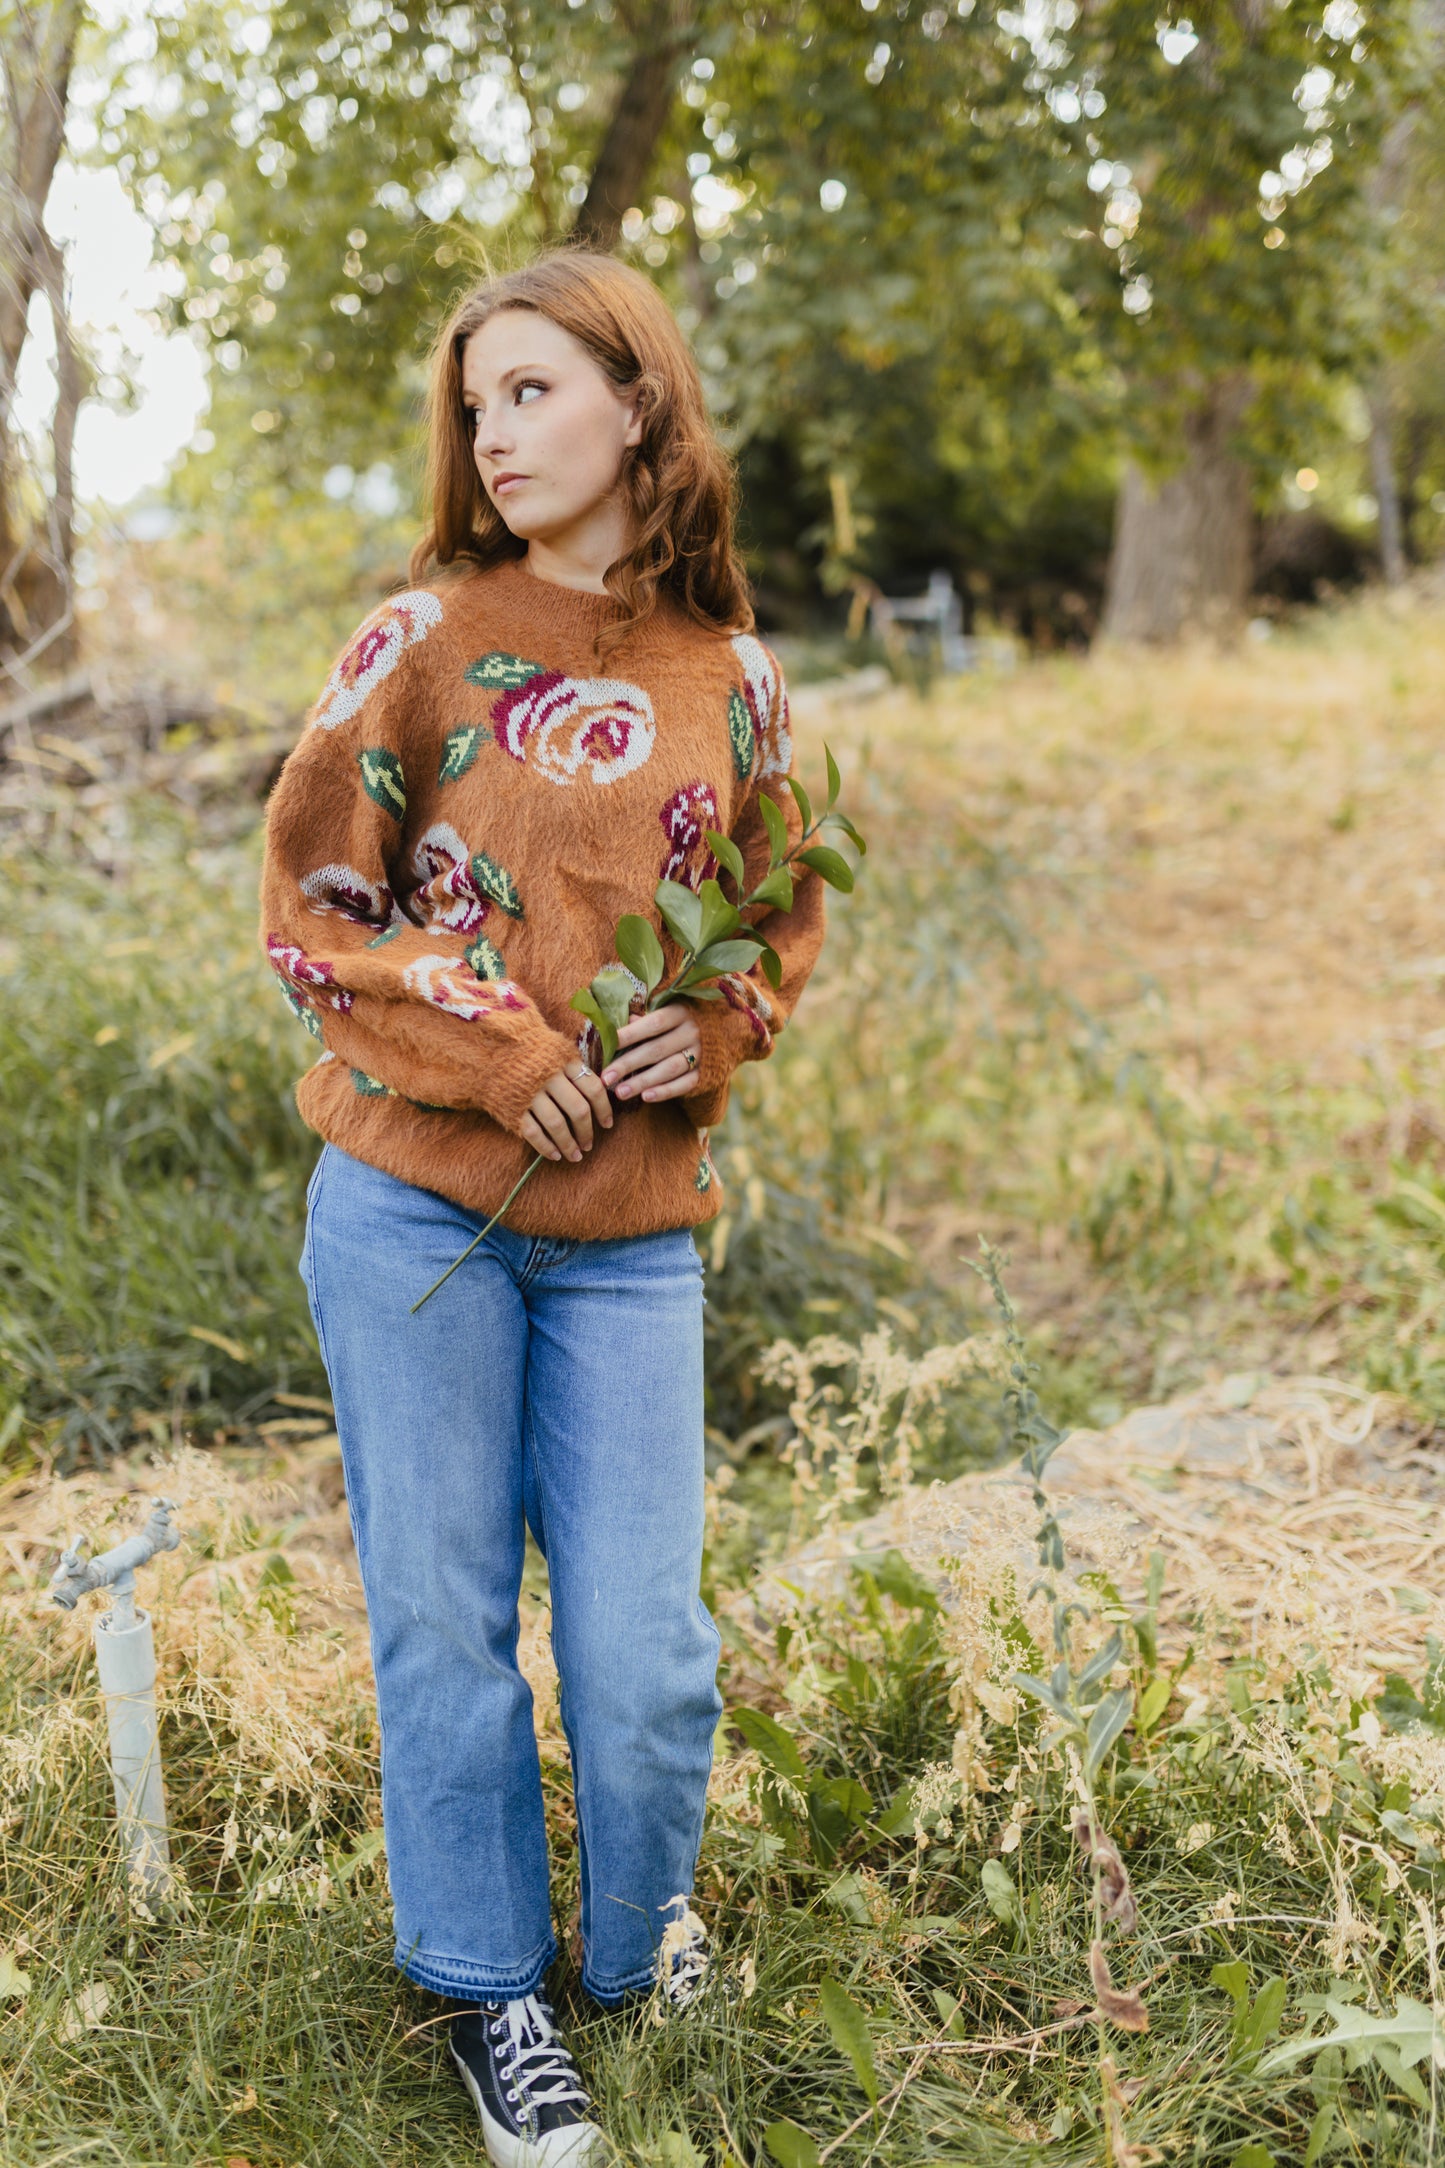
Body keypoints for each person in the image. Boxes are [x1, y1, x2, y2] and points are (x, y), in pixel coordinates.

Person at [259, 247, 825, 2166]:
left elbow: (773, 903)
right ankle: (496, 1991)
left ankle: (633, 1941)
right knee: (442, 1625)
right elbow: (310, 910)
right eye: (475, 402)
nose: (492, 435)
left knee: (646, 1645)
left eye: (532, 392)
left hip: (630, 1239)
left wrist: (714, 1022)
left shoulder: (727, 675)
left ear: (638, 403)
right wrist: (503, 1051)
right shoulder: (419, 635)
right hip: (413, 1216)